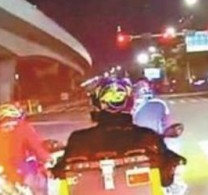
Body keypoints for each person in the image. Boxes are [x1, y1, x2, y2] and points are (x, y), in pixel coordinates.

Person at [53, 77, 185, 188]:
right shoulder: (147, 136)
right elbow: (166, 178)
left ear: (97, 103)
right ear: (130, 103)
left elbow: (60, 171)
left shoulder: (79, 139)